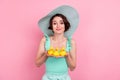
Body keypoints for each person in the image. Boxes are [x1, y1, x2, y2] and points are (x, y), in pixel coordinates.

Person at [35, 5, 79, 80]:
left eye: (61, 23)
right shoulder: (45, 40)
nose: (58, 26)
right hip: (48, 78)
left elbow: (72, 67)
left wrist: (67, 55)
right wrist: (46, 54)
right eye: (55, 23)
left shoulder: (71, 42)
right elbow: (37, 64)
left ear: (65, 25)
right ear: (51, 26)